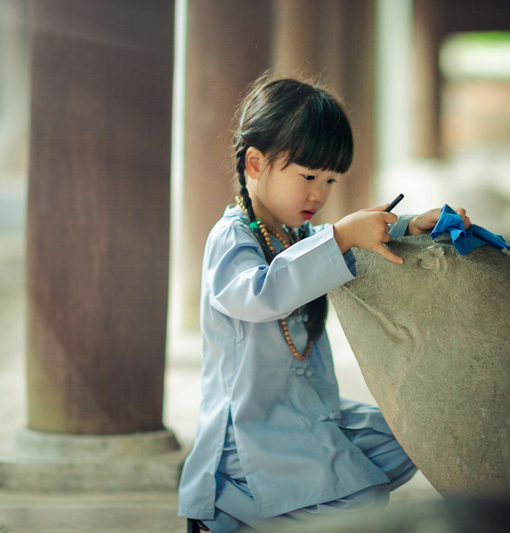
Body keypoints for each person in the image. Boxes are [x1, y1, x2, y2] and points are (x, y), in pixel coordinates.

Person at [177, 75, 470, 532]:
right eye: (308, 175)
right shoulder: (231, 236)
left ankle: (271, 511)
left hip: (308, 408)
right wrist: (342, 234)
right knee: (361, 498)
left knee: (413, 438)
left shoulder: (293, 234)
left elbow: (328, 247)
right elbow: (260, 294)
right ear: (255, 164)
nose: (319, 193)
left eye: (331, 179)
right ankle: (228, 510)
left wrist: (410, 225)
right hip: (254, 429)